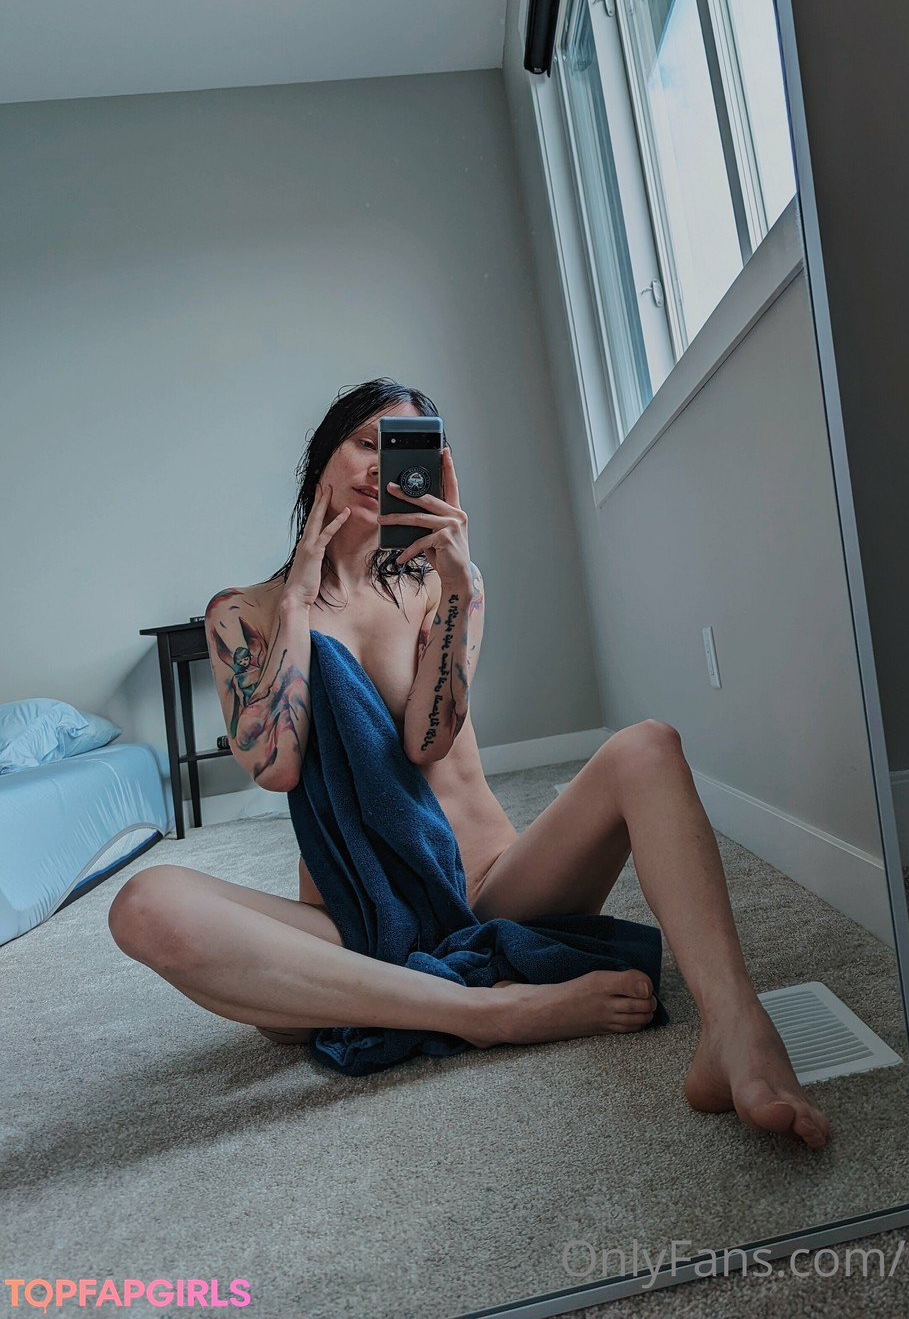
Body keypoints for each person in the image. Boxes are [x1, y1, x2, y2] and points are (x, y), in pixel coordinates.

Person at [109, 379, 831, 1149]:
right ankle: (485, 1011)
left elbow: (428, 742)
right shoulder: (244, 612)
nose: (378, 463)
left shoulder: (443, 586)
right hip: (355, 925)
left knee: (649, 745)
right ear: (322, 458)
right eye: (364, 442)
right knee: (146, 904)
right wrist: (297, 604)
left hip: (489, 888)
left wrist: (454, 578)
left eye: (402, 449)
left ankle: (733, 1024)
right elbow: (276, 766)